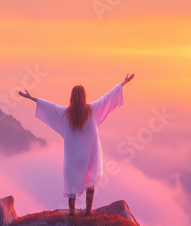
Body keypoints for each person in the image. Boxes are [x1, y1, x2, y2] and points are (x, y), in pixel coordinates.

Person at [18, 74, 135, 216]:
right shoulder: (92, 109)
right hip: (91, 153)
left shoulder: (65, 113)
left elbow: (50, 107)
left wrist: (31, 98)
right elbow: (108, 98)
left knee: (72, 179)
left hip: (73, 155)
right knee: (91, 179)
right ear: (84, 96)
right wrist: (124, 82)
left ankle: (72, 211)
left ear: (72, 97)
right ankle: (88, 210)